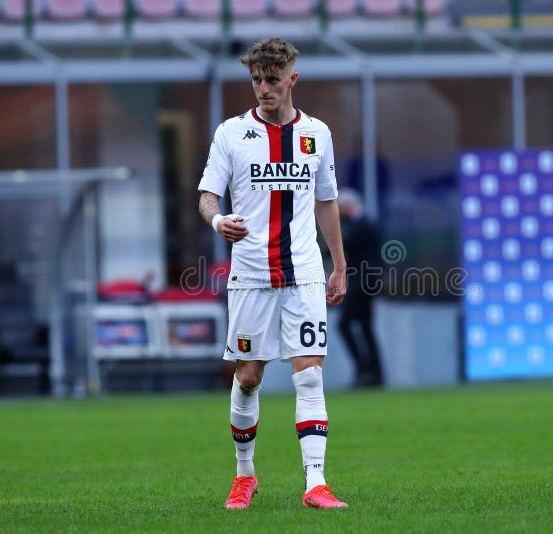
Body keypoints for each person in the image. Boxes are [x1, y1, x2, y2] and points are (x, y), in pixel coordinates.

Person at [197, 37, 348, 510]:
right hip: (250, 275)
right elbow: (207, 196)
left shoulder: (316, 134)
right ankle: (245, 476)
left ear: (292, 80)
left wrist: (339, 263)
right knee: (247, 377)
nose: (263, 88)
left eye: (272, 80)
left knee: (309, 375)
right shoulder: (230, 134)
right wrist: (218, 220)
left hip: (303, 271)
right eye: (257, 80)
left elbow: (326, 201)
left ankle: (316, 484)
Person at [336, 188, 384, 387]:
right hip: (368, 284)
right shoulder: (366, 222)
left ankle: (365, 369)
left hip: (361, 284)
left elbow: (345, 244)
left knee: (344, 324)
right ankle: (374, 373)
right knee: (366, 328)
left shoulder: (361, 225)